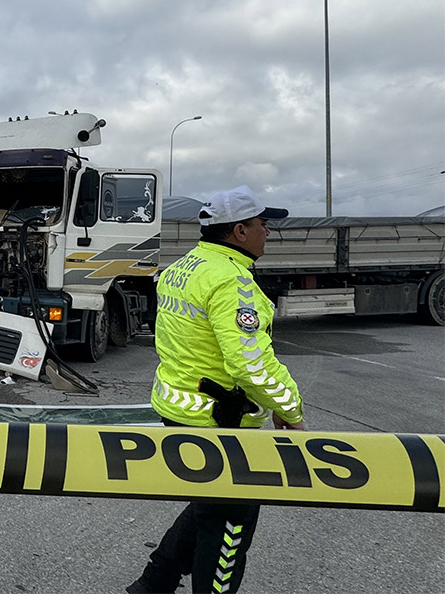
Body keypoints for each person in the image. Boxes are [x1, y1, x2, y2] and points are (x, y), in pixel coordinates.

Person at [127, 185, 305, 594]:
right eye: (263, 224)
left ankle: (154, 583)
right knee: (229, 525)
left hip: (180, 410)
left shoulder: (184, 266)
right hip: (220, 423)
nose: (268, 232)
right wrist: (290, 409)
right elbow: (251, 365)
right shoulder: (232, 283)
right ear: (240, 231)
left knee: (210, 505)